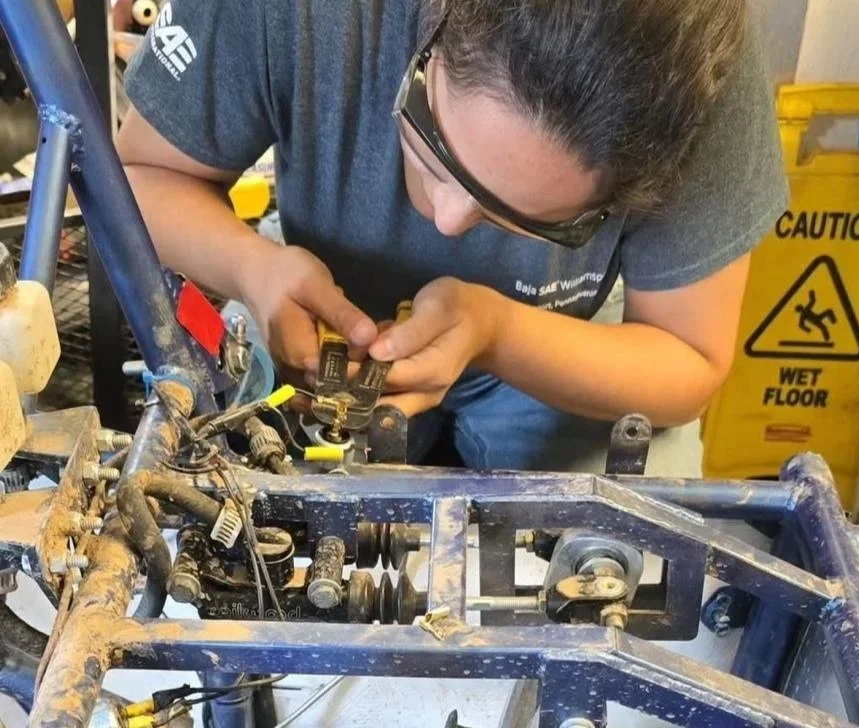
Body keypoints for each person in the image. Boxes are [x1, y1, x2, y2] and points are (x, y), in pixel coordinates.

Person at [117, 0, 787, 474]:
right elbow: (139, 180)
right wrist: (251, 269)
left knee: (642, 545)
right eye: (433, 147)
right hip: (306, 309)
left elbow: (689, 358)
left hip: (562, 337)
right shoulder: (293, 11)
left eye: (521, 216)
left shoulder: (697, 76)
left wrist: (496, 334)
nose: (447, 219)